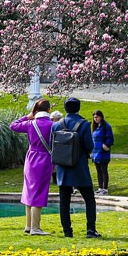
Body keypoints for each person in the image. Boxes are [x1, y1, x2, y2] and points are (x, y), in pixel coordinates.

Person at [55, 97, 100, 238]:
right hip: (79, 167)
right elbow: (89, 145)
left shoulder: (56, 125)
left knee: (64, 202)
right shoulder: (84, 124)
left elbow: (53, 145)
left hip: (63, 168)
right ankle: (90, 230)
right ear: (78, 108)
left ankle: (67, 231)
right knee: (89, 199)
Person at [10, 98, 55, 236]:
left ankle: (28, 225)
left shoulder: (30, 124)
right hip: (44, 158)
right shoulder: (52, 125)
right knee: (40, 192)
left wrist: (28, 116)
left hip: (30, 158)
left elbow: (13, 125)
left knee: (29, 191)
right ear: (49, 110)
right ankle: (36, 228)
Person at [90, 110, 114, 196]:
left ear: (101, 117)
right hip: (96, 152)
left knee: (104, 170)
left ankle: (105, 188)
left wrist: (106, 145)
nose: (95, 119)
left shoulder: (106, 126)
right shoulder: (96, 127)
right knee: (98, 171)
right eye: (94, 117)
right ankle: (100, 188)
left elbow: (110, 138)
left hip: (103, 152)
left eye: (97, 117)